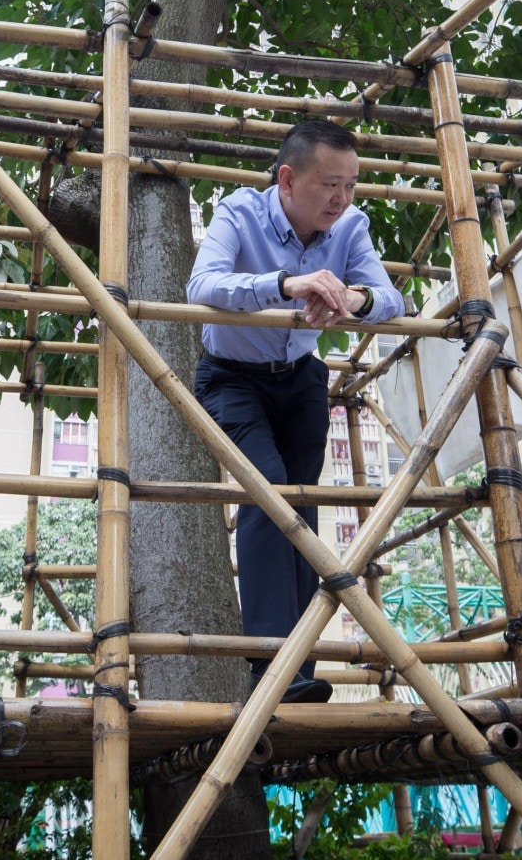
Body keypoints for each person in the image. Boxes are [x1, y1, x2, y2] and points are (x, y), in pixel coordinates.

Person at [186, 119, 405, 704]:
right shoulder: (239, 212)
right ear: (287, 179)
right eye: (331, 184)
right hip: (232, 378)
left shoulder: (351, 227)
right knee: (270, 496)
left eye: (352, 185)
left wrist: (354, 298)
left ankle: (299, 669)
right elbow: (201, 287)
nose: (342, 198)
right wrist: (285, 284)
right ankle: (268, 670)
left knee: (303, 512)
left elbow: (390, 298)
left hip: (303, 381)